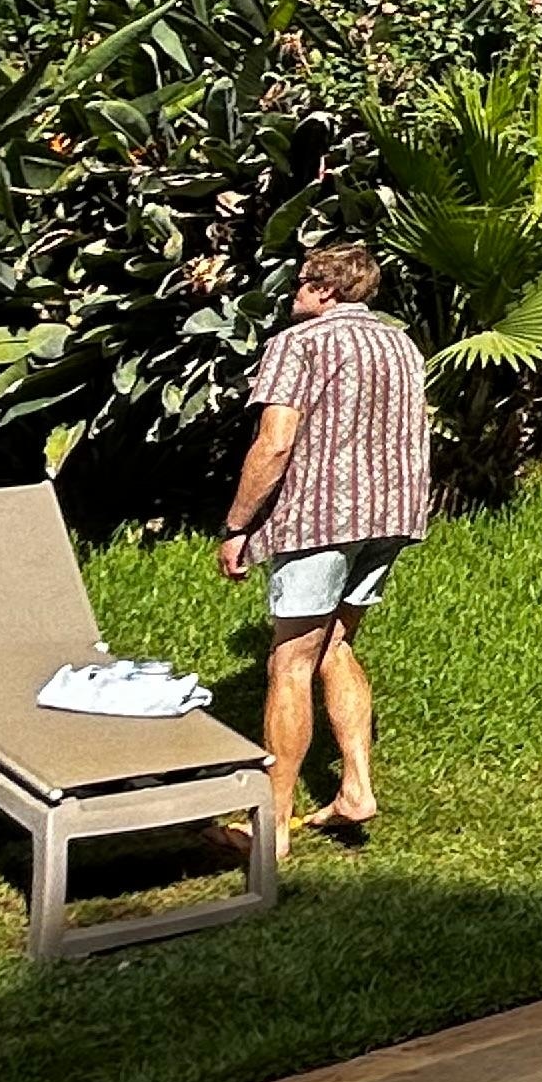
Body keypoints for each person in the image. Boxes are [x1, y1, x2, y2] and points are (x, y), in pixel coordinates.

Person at [214, 239, 431, 844]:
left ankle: (271, 826)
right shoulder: (402, 344)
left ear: (325, 290)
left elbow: (275, 443)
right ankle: (355, 789)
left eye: (301, 281)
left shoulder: (297, 344)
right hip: (392, 514)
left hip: (322, 520)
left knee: (290, 662)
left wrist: (238, 524)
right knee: (336, 642)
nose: (293, 292)